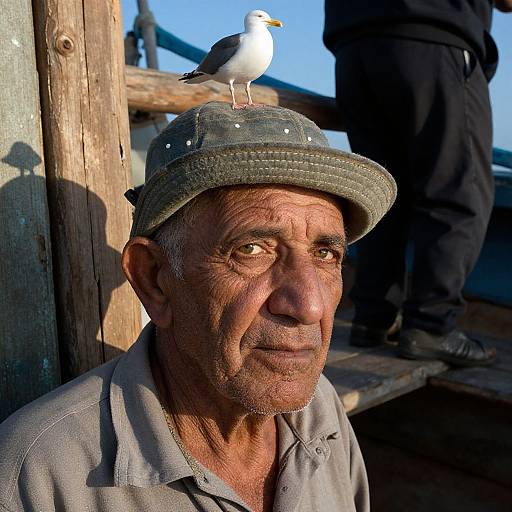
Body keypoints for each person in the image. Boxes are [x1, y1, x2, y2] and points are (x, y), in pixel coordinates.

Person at [0, 102, 396, 512]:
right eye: (252, 249)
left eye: (326, 253)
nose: (309, 304)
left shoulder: (319, 410)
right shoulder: (38, 478)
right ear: (154, 278)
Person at [323, 0, 511, 366]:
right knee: (459, 193)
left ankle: (373, 318)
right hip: (434, 38)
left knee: (383, 194)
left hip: (354, 49)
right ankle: (430, 325)